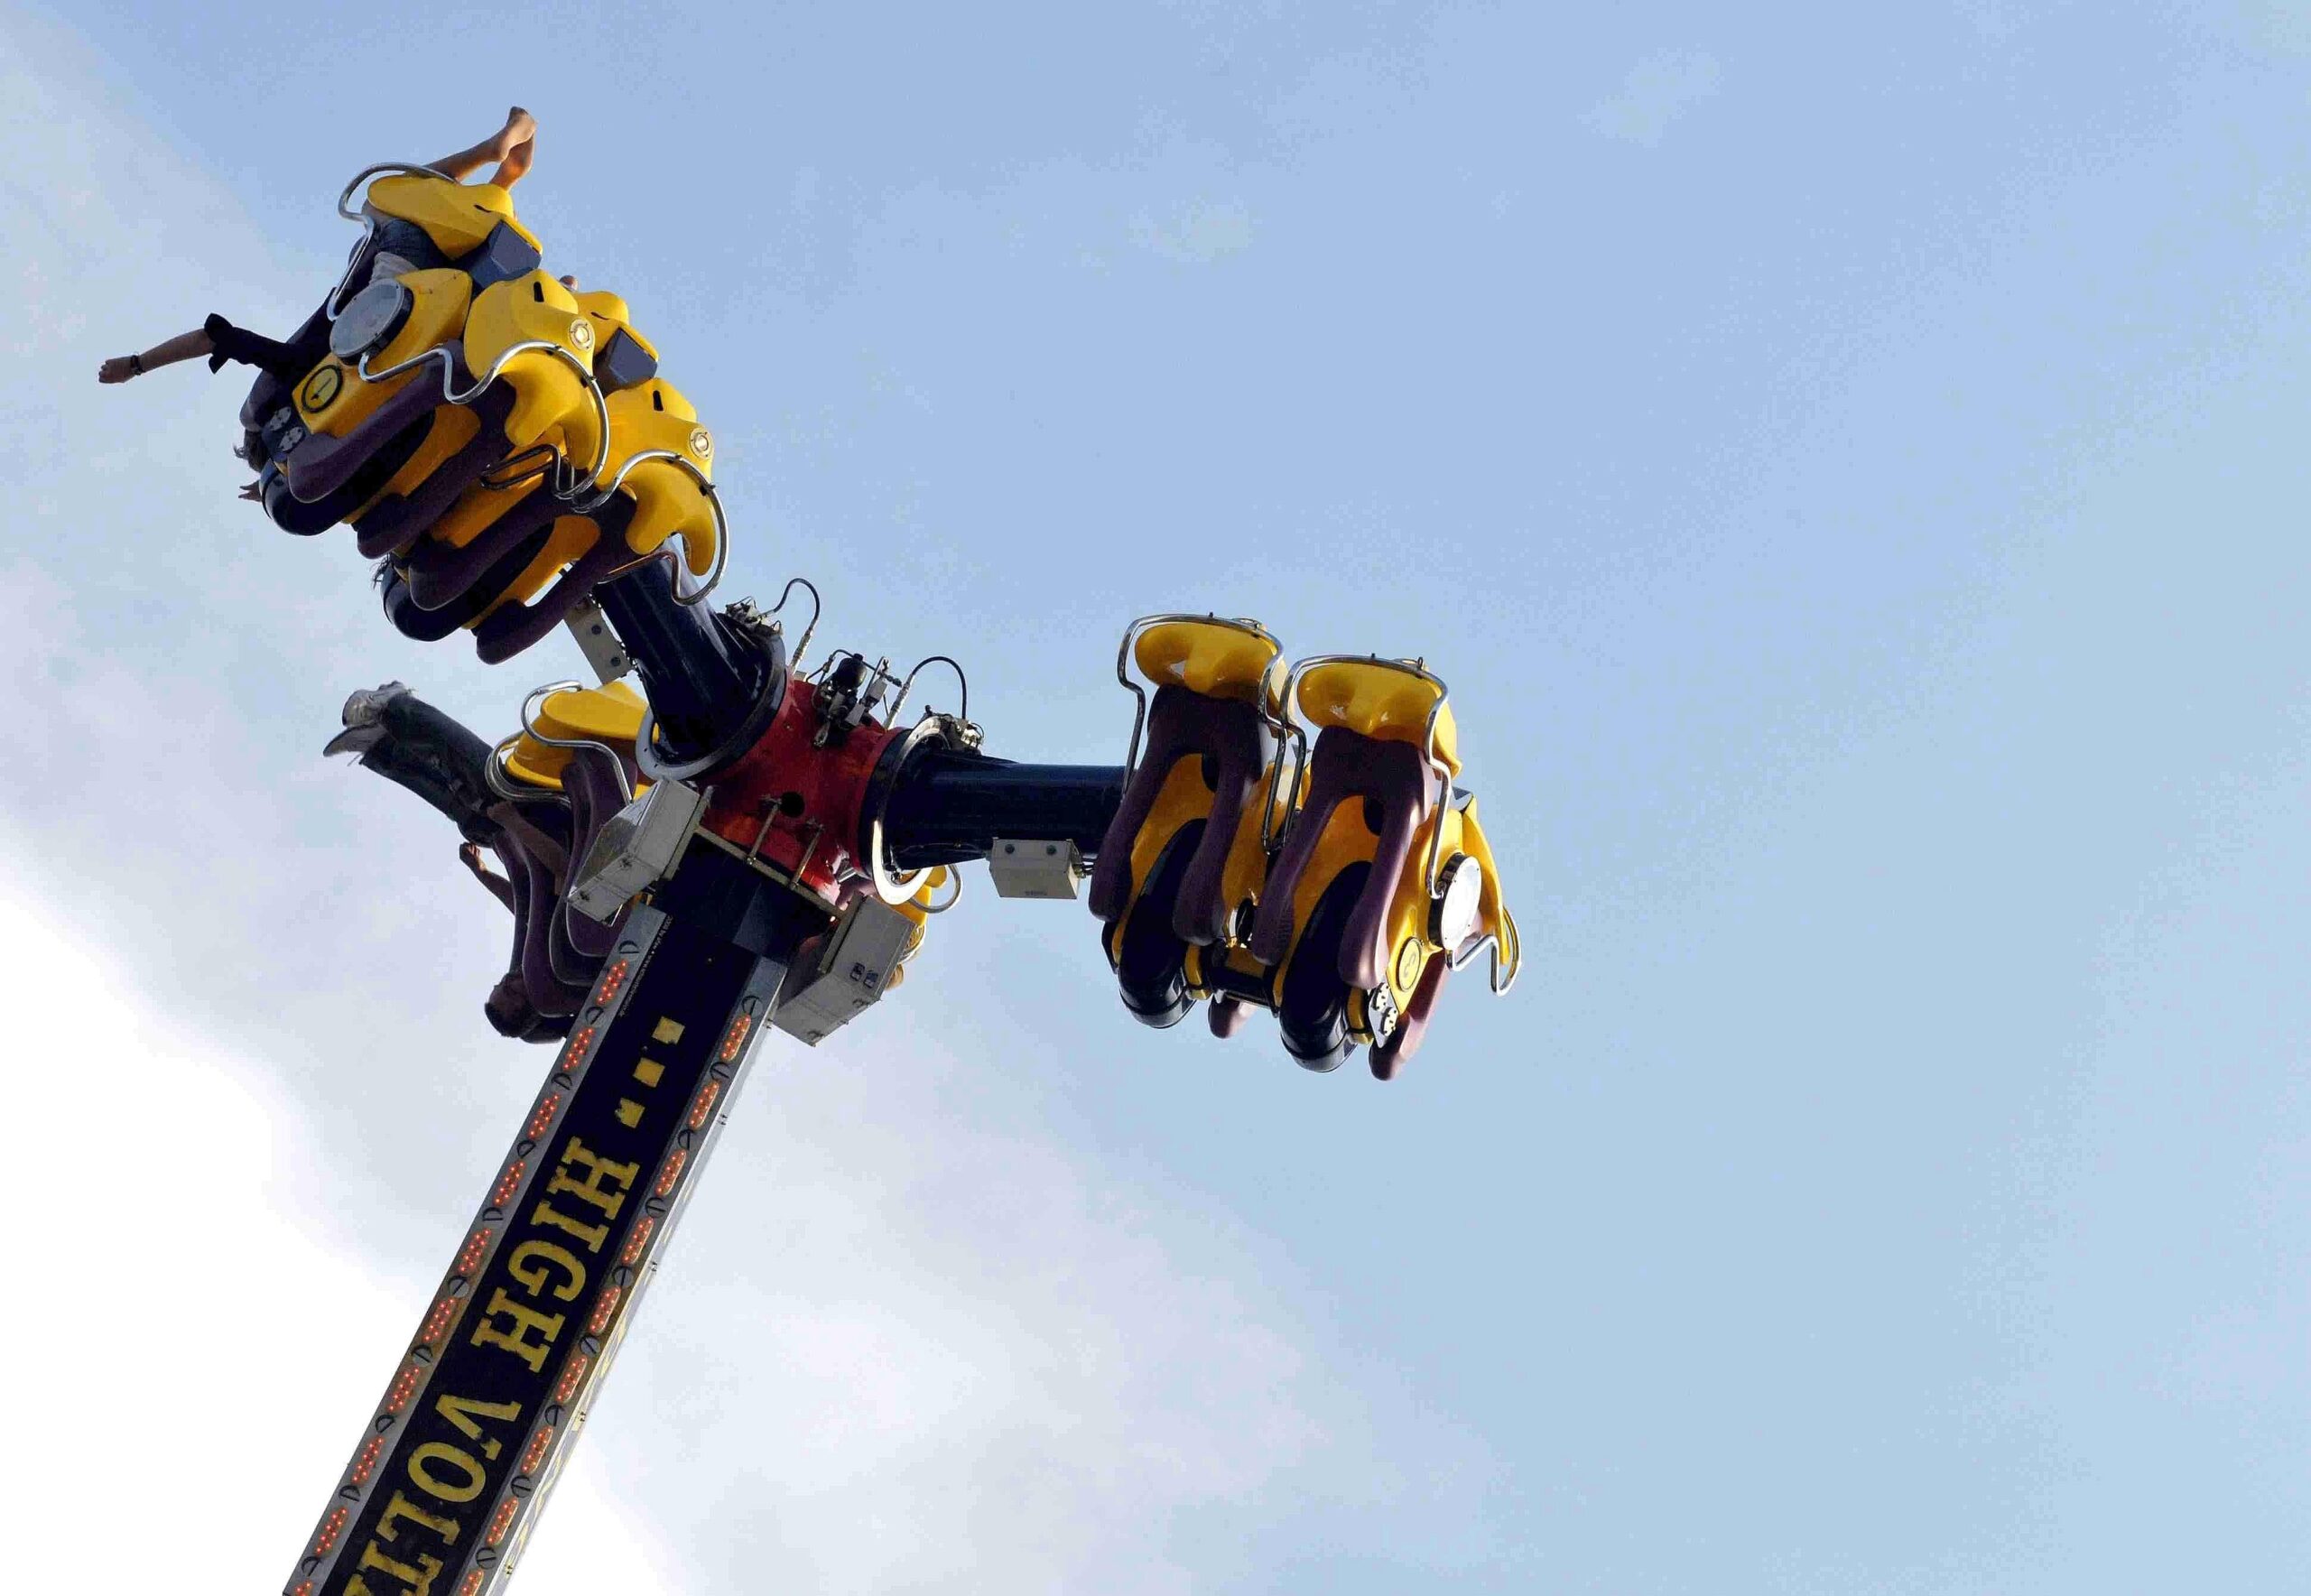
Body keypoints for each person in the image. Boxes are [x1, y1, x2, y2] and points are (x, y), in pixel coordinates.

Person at [96, 107, 537, 387]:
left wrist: (137, 366)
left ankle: (499, 171)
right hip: (390, 256)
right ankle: (495, 168)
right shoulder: (308, 363)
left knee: (428, 249)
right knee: (390, 197)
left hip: (408, 280)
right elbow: (209, 337)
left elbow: (214, 336)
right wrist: (137, 364)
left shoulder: (299, 369)